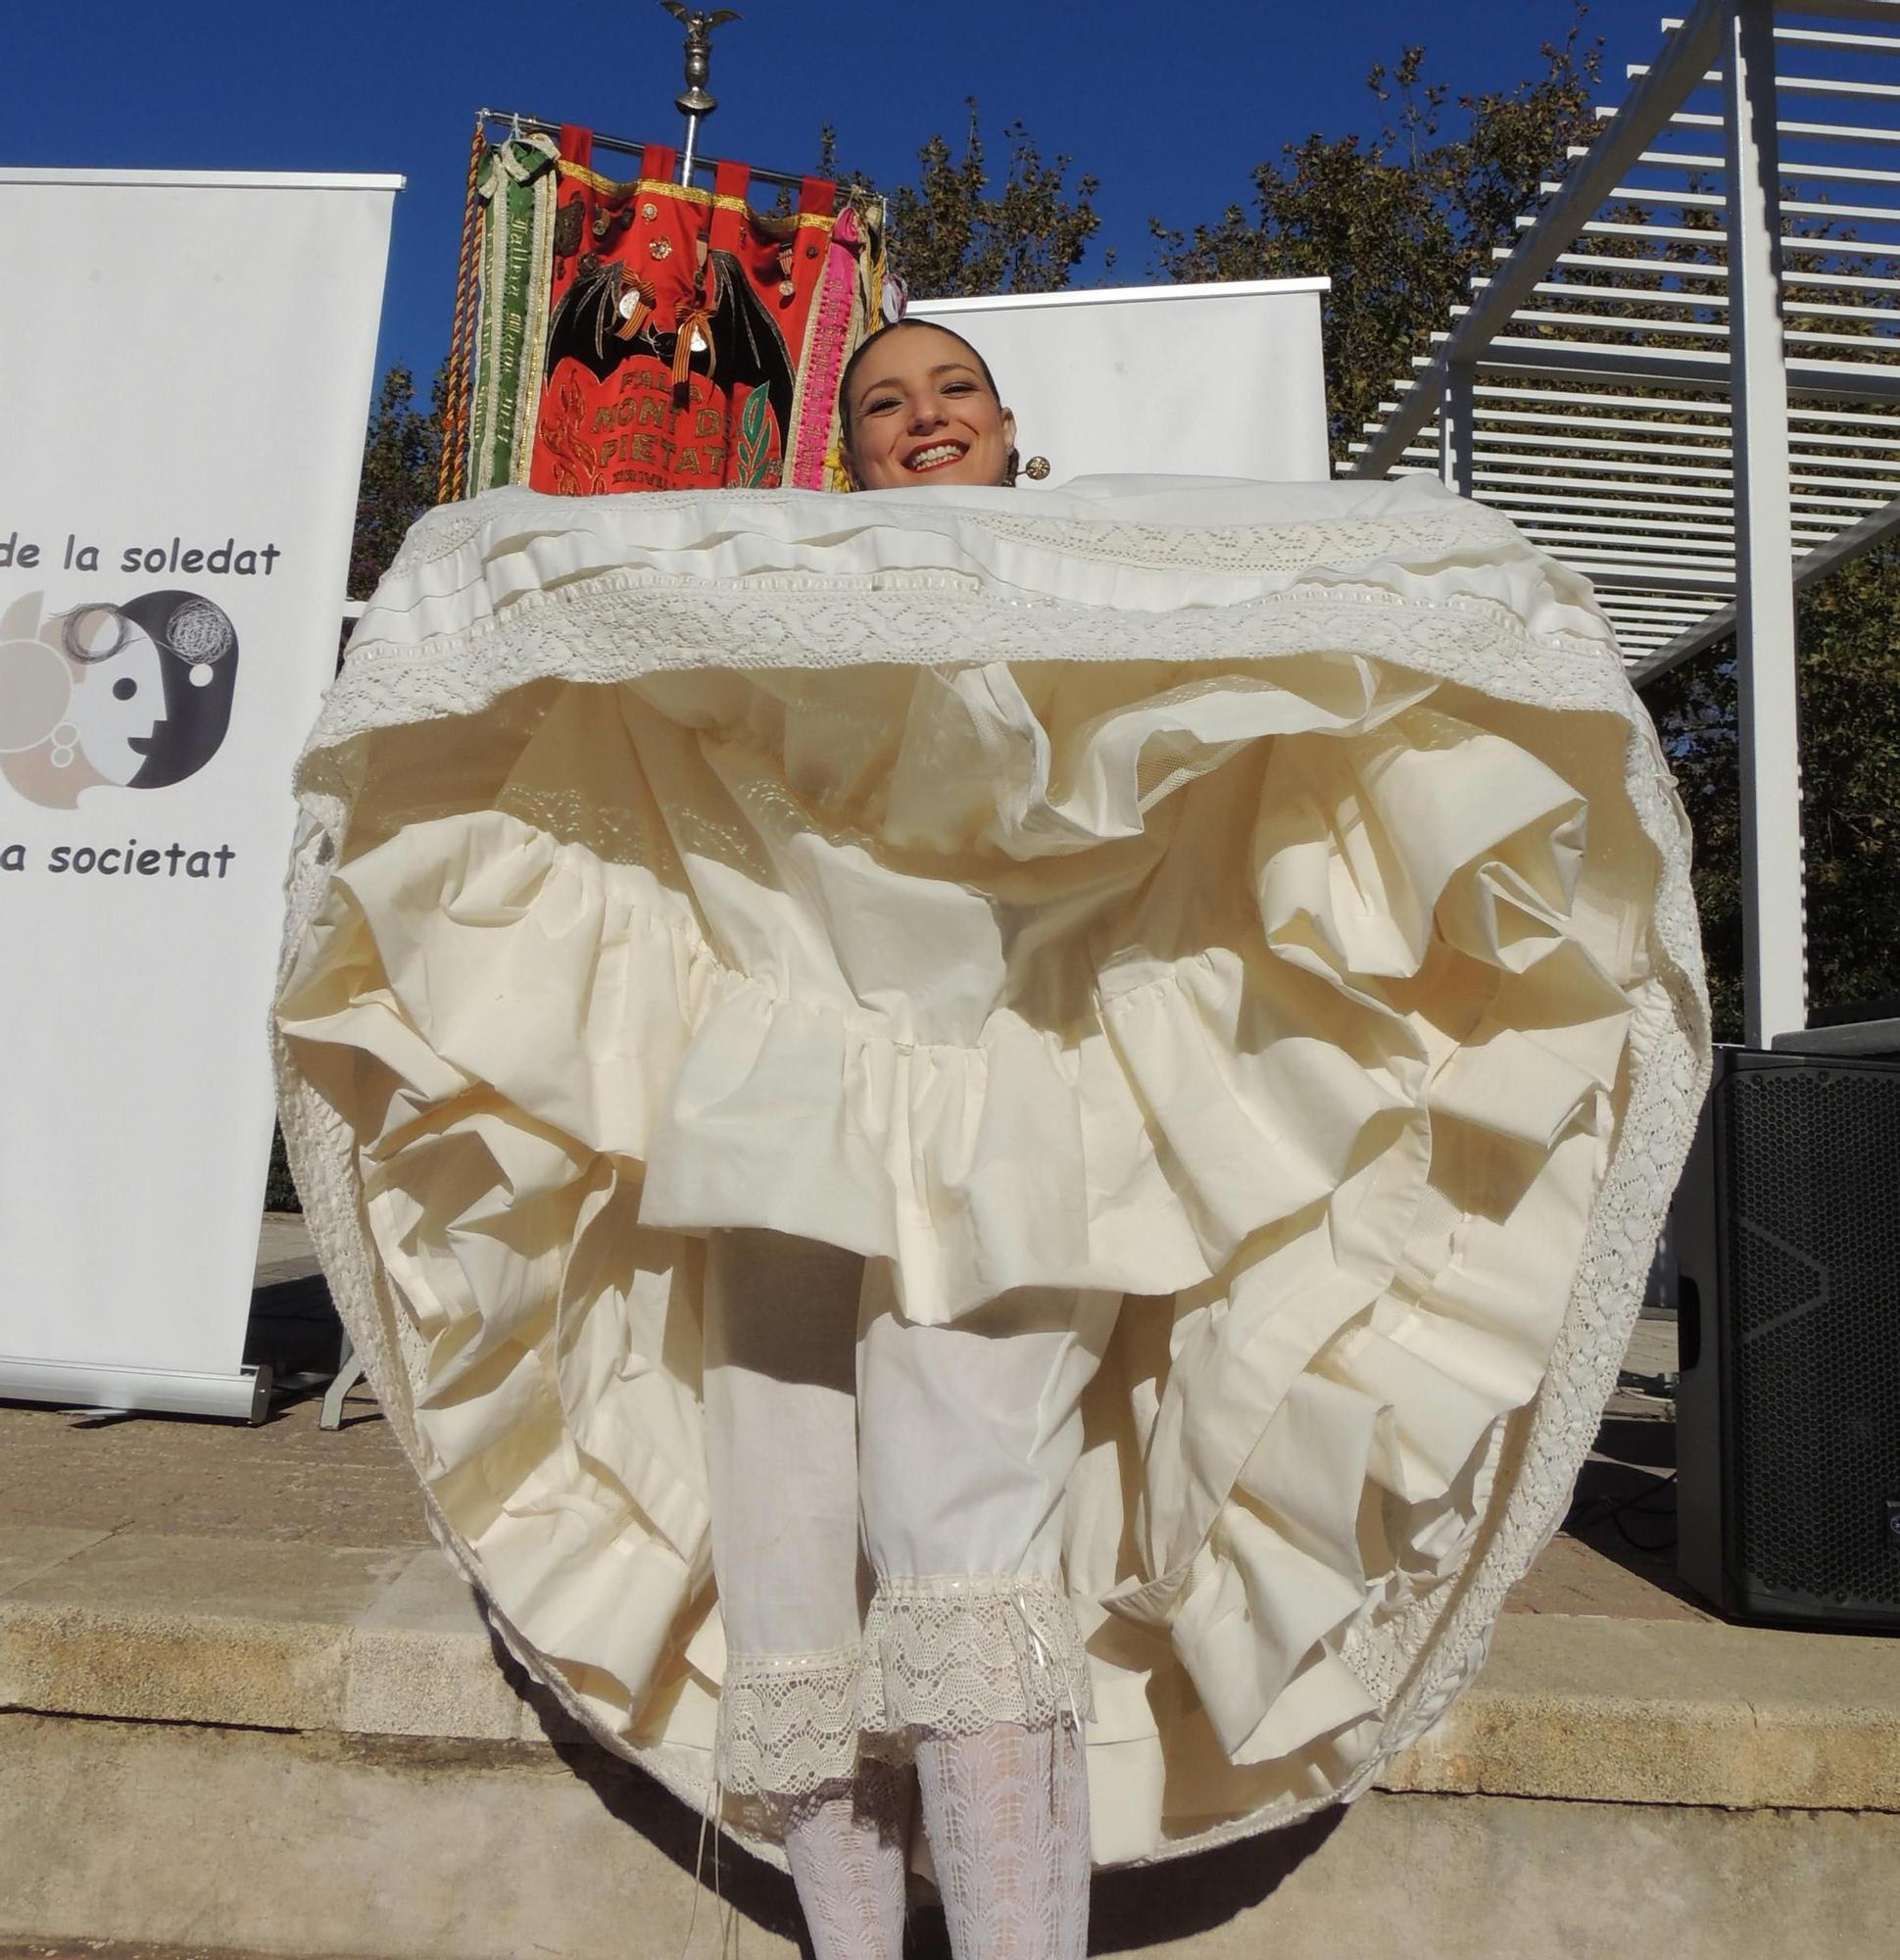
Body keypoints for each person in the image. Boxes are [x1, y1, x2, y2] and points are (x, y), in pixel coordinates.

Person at [274, 323, 1709, 1960]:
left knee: (969, 1541)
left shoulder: (1095, 570)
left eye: (951, 389)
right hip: (774, 1102)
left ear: (1009, 426)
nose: (922, 416)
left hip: (1023, 1113)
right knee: (785, 1529)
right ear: (850, 450)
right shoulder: (789, 585)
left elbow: (1359, 570)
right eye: (883, 400)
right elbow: (510, 569)